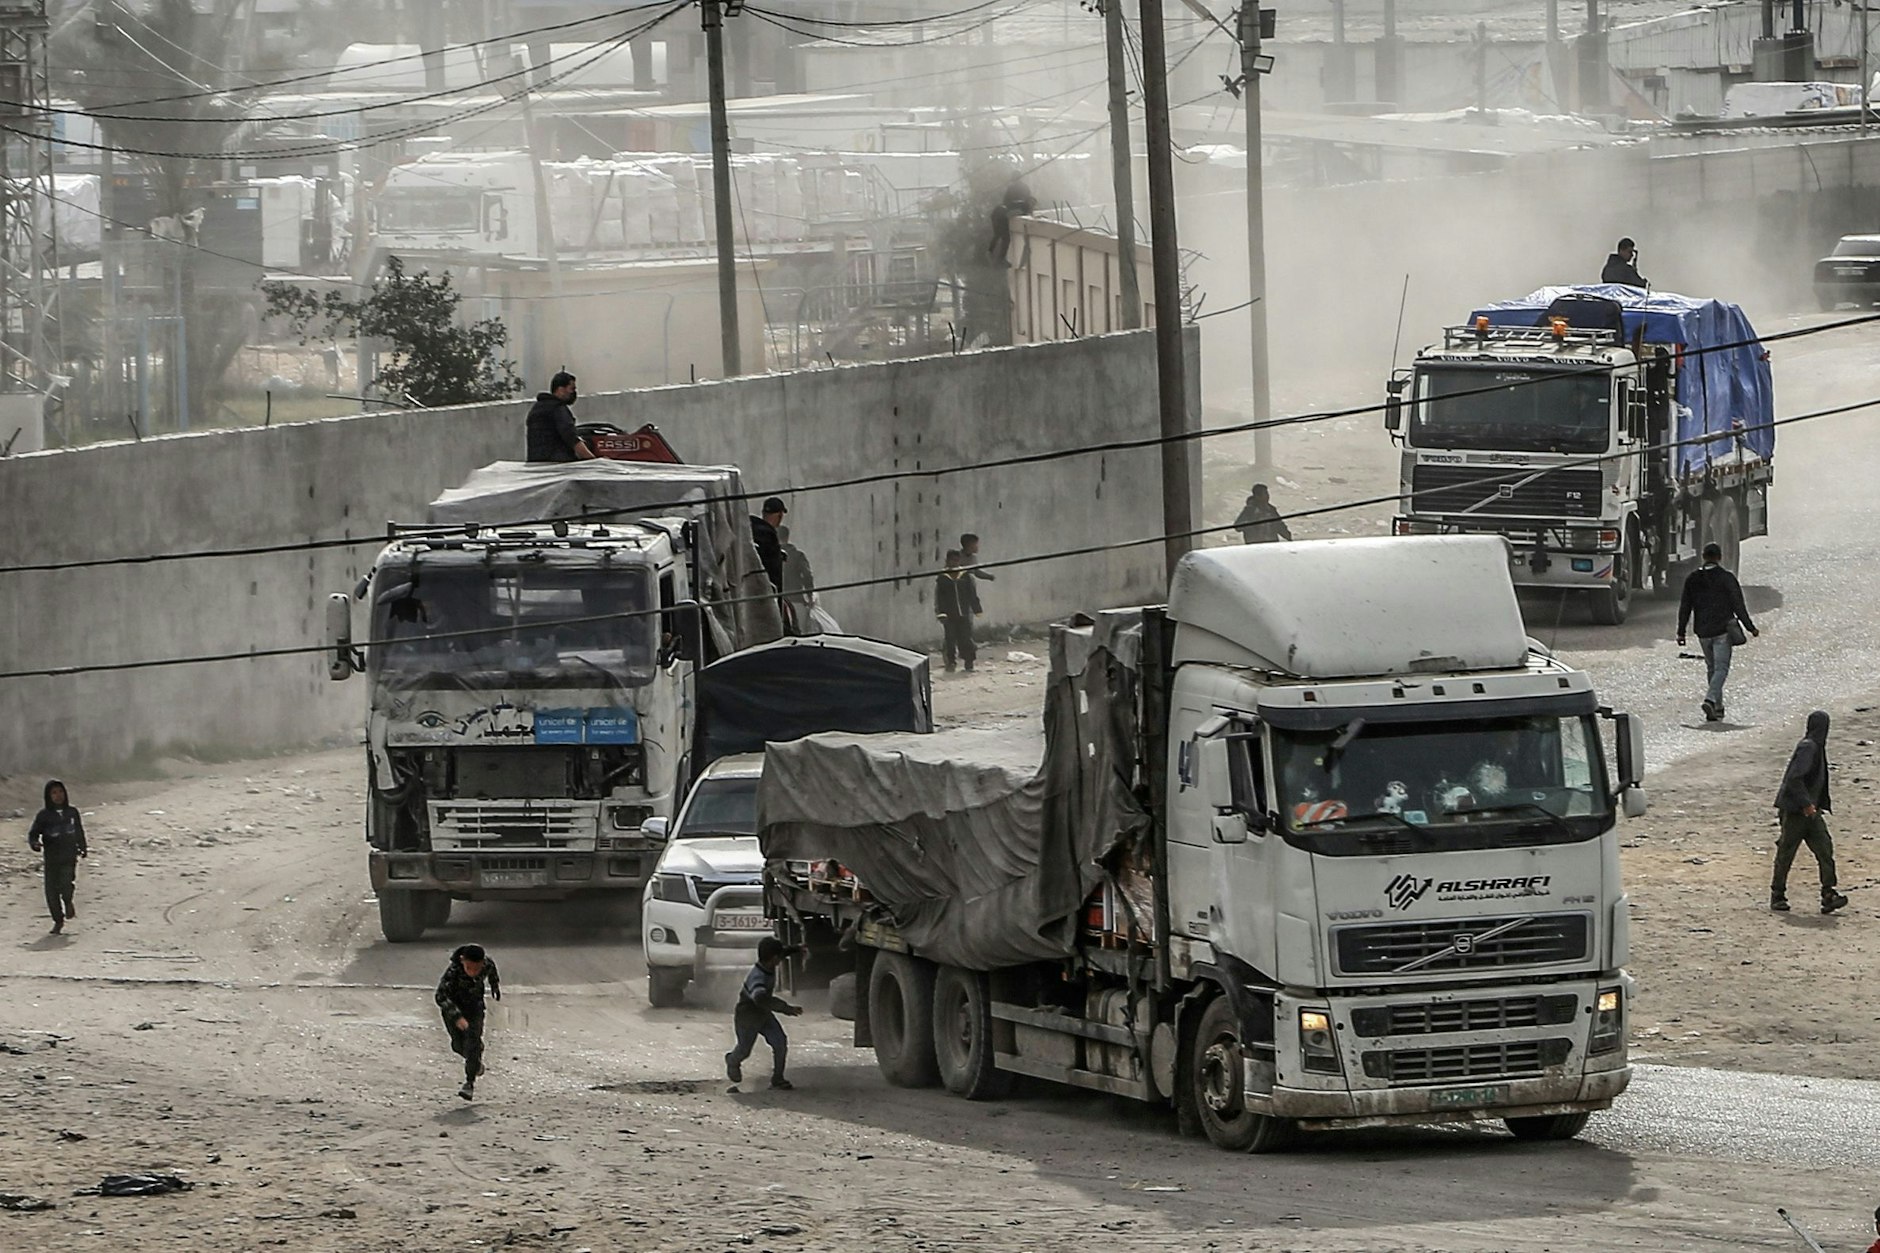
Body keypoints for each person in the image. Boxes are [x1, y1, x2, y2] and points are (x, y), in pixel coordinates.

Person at [1771, 711, 1848, 915]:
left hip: (1811, 812)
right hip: (1796, 812)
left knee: (1825, 849)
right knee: (1786, 852)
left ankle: (1828, 894)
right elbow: (1795, 778)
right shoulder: (1808, 748)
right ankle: (1777, 894)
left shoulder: (1815, 747)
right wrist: (1806, 804)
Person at [1676, 542, 1758, 721]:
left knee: (1712, 668)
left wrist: (1681, 632)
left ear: (1703, 556)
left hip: (1703, 632)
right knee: (1721, 668)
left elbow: (1685, 607)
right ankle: (1711, 699)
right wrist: (1750, 627)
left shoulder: (1693, 578)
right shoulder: (1726, 578)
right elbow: (1738, 605)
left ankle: (1717, 708)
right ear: (1719, 557)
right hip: (1722, 631)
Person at [725, 936, 803, 1092]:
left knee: (780, 1042)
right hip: (747, 1016)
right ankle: (732, 1060)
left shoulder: (767, 963)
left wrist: (798, 948)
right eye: (778, 958)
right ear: (773, 958)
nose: (780, 960)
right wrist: (786, 1008)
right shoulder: (758, 978)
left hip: (763, 1014)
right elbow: (760, 998)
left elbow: (782, 952)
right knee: (744, 1050)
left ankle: (778, 1079)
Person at [435, 942, 502, 1100]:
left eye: (477, 969)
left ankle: (469, 1083)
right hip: (453, 1011)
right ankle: (475, 1062)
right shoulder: (453, 972)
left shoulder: (486, 964)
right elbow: (440, 996)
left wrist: (494, 986)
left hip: (475, 1009)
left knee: (472, 1042)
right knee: (458, 1046)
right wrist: (457, 1017)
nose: (473, 972)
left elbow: (492, 970)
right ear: (462, 961)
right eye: (470, 968)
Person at [28, 780, 87, 935]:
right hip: (51, 857)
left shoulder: (72, 812)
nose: (58, 796)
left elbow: (79, 831)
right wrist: (35, 844)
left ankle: (68, 901)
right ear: (48, 796)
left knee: (66, 884)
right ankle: (58, 920)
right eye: (54, 793)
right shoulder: (43, 816)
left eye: (60, 792)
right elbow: (33, 833)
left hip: (69, 855)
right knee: (51, 891)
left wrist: (83, 847)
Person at [525, 371, 596, 463]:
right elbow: (572, 439)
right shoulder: (558, 409)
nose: (574, 393)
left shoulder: (537, 408)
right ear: (561, 390)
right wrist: (594, 461)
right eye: (572, 389)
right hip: (558, 466)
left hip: (536, 465)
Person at [934, 550, 979, 673]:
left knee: (966, 638)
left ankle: (969, 662)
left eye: (956, 560)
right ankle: (951, 662)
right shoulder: (942, 578)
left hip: (964, 614)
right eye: (951, 560)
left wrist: (976, 608)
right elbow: (939, 597)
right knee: (950, 639)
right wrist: (940, 612)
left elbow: (972, 594)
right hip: (948, 615)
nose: (954, 563)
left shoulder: (965, 576)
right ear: (947, 561)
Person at [778, 524, 818, 635]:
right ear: (787, 537)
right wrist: (810, 596)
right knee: (799, 635)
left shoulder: (770, 554)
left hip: (777, 603)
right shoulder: (798, 556)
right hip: (796, 601)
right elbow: (807, 576)